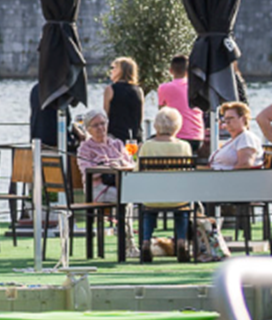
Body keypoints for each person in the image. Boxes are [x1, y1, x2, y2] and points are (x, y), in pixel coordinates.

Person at [136, 106, 193, 263]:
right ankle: (181, 240)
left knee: (148, 211)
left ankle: (146, 241)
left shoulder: (147, 146)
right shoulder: (184, 146)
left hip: (152, 197)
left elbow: (137, 172)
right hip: (177, 197)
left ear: (156, 126)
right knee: (182, 210)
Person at [74, 108, 134, 204]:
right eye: (95, 125)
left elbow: (131, 165)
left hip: (119, 184)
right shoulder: (85, 148)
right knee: (123, 195)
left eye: (103, 123)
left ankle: (126, 219)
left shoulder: (117, 144)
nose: (100, 127)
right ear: (88, 130)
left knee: (136, 192)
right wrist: (107, 167)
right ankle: (123, 219)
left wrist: (120, 164)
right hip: (97, 187)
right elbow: (86, 172)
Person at [155, 55, 205, 147]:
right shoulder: (197, 87)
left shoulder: (163, 88)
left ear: (170, 70)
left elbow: (162, 111)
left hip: (174, 136)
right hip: (197, 136)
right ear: (188, 71)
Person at [211, 101, 263, 170]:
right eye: (225, 118)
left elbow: (245, 164)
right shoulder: (231, 140)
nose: (227, 122)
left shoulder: (246, 137)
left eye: (231, 118)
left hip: (230, 178)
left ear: (243, 119)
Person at [102, 56, 143, 142]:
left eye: (114, 68)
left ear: (121, 71)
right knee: (133, 155)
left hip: (115, 137)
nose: (111, 71)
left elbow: (105, 115)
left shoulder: (110, 89)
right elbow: (140, 118)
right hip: (135, 137)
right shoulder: (139, 90)